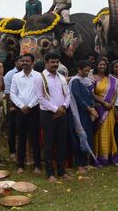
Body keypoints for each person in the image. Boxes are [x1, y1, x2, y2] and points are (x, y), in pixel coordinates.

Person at [34, 52, 71, 182]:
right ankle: (50, 173)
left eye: (57, 62)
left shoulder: (61, 77)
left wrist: (64, 107)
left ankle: (61, 171)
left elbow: (67, 95)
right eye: (52, 62)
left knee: (62, 142)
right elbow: (40, 98)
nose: (55, 64)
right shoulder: (40, 78)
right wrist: (56, 109)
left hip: (62, 113)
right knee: (49, 144)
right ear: (46, 63)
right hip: (48, 115)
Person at [10, 54, 42, 174]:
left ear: (33, 63)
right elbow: (13, 93)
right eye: (23, 61)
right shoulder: (16, 77)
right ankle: (20, 165)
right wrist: (21, 106)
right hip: (20, 110)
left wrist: (30, 105)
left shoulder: (38, 76)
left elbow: (40, 94)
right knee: (21, 138)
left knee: (35, 138)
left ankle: (37, 165)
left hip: (34, 110)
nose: (25, 63)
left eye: (27, 61)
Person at [68, 60, 97, 173]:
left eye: (88, 71)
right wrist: (90, 110)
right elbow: (78, 99)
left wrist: (93, 109)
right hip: (78, 114)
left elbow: (91, 96)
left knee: (88, 136)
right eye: (85, 71)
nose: (86, 73)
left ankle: (86, 162)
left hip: (88, 113)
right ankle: (79, 164)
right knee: (79, 137)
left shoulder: (87, 81)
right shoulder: (75, 81)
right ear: (79, 69)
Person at [92, 58, 118, 166]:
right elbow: (92, 93)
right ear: (97, 66)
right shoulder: (93, 78)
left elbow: (115, 92)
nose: (102, 66)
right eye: (100, 64)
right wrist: (103, 102)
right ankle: (100, 157)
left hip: (109, 110)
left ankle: (110, 156)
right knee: (100, 133)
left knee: (110, 132)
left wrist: (112, 102)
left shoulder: (111, 79)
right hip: (100, 108)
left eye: (104, 65)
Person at [4, 57, 22, 162]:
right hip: (13, 106)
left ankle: (22, 151)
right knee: (12, 129)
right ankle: (12, 152)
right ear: (15, 62)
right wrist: (10, 106)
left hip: (24, 106)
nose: (23, 63)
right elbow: (7, 92)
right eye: (20, 61)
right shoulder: (10, 74)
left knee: (22, 129)